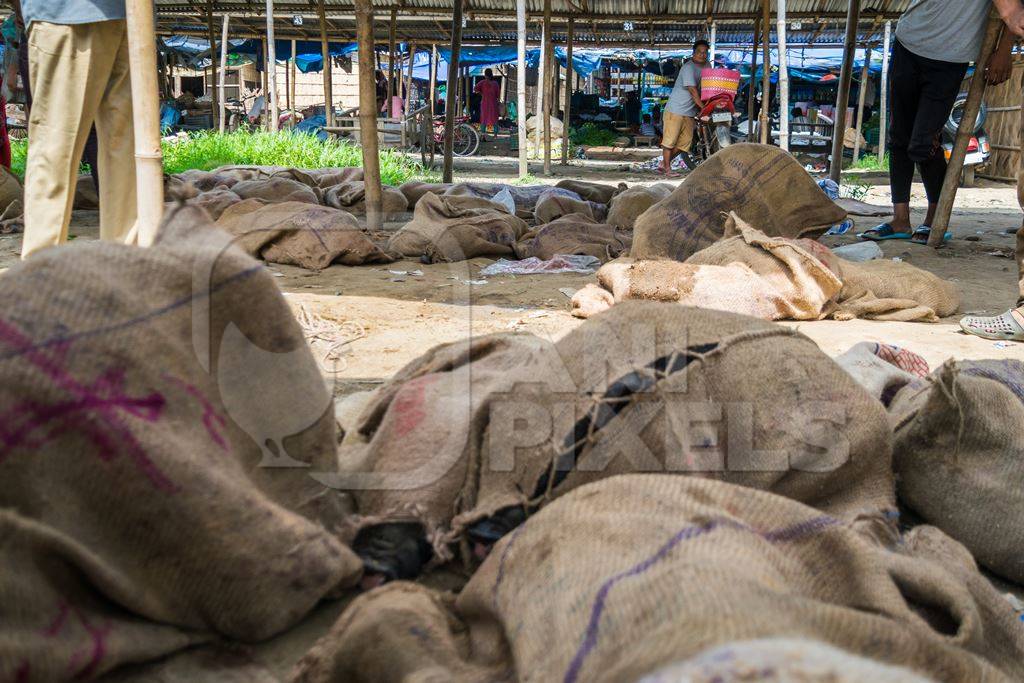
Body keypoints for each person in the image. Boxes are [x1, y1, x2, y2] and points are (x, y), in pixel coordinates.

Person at [860, 0, 1019, 245]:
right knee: (899, 137)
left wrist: (1004, 51)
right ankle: (900, 220)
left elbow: (1014, 8)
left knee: (923, 143)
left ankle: (935, 219)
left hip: (951, 59)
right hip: (909, 42)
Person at [20, 0, 135, 259]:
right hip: (69, 13)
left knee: (128, 154)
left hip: (131, 16)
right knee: (56, 147)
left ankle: (126, 270)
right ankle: (39, 279)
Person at [660, 39, 708, 177]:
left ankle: (664, 163)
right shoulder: (688, 67)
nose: (702, 55)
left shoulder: (707, 65)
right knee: (670, 141)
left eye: (705, 52)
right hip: (676, 110)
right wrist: (704, 108)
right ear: (694, 53)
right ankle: (668, 170)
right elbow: (693, 91)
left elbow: (708, 85)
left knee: (685, 144)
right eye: (699, 52)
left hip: (689, 112)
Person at [474, 68, 501, 139]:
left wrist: (481, 93)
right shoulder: (495, 83)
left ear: (485, 75)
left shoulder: (482, 82)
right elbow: (498, 95)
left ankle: (483, 134)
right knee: (494, 119)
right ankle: (495, 135)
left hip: (485, 104)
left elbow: (475, 88)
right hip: (493, 104)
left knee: (484, 118)